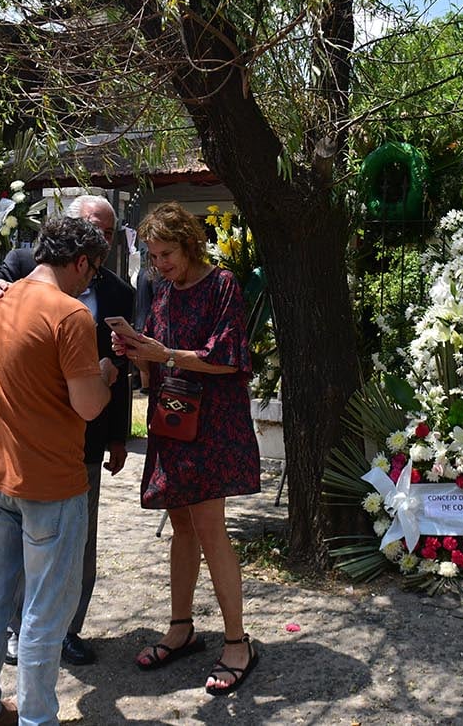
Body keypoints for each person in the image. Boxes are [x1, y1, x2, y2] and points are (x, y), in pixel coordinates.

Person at [0, 216, 117, 726]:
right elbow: (88, 407)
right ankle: (36, 718)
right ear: (81, 262)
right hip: (54, 487)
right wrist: (107, 374)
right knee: (44, 612)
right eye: (92, 270)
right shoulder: (70, 316)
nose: (91, 282)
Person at [112, 202, 261, 695]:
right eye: (153, 256)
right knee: (181, 525)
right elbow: (157, 365)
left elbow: (229, 358)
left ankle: (238, 642)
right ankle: (181, 627)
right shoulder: (162, 291)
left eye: (167, 253)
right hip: (173, 419)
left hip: (212, 424)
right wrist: (137, 352)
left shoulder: (222, 286)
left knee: (209, 528)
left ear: (189, 244)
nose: (160, 265)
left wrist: (165, 354)